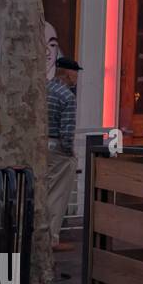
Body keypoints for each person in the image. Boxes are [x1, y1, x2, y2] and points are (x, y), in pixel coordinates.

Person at [45, 57, 80, 252]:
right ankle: (51, 238)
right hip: (57, 149)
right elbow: (67, 133)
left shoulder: (44, 89)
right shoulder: (67, 96)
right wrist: (70, 153)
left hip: (39, 145)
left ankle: (37, 234)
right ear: (69, 73)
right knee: (57, 195)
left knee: (42, 190)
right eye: (76, 73)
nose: (77, 78)